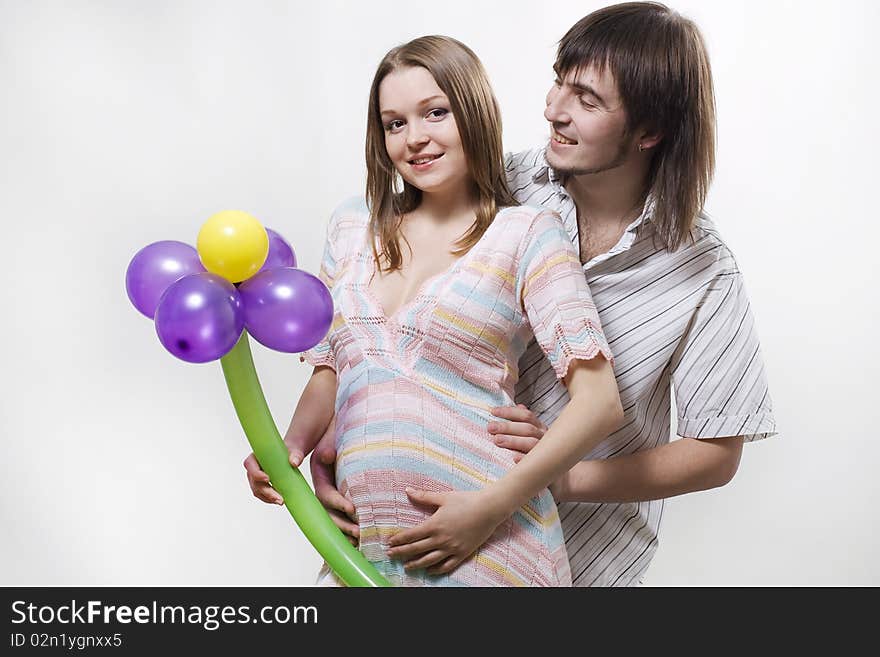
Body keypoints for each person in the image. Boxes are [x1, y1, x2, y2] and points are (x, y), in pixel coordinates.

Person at [247, 2, 777, 587]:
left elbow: (715, 453)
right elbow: (374, 353)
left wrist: (536, 483)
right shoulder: (495, 186)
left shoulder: (703, 268)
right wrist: (326, 456)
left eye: (588, 100)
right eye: (559, 83)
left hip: (584, 556)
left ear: (650, 131)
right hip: (402, 540)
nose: (554, 110)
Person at [250, 35, 623, 587]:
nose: (414, 138)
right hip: (365, 548)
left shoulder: (525, 234)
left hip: (493, 548)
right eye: (394, 123)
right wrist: (287, 450)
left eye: (435, 113)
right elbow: (333, 370)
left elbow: (599, 404)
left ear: (472, 111)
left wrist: (488, 509)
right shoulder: (353, 227)